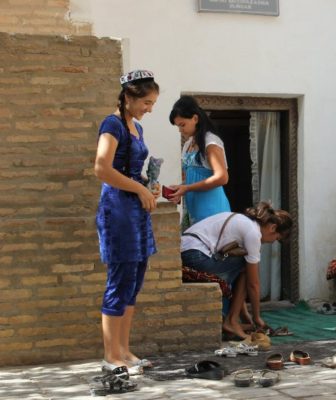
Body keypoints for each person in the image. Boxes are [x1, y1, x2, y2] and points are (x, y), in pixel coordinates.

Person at [94, 69, 160, 375]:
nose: (150, 108)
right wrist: (137, 188)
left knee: (134, 281)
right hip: (118, 210)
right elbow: (102, 169)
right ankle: (111, 357)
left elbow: (133, 171)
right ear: (129, 97)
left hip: (137, 210)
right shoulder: (112, 124)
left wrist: (148, 185)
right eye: (146, 102)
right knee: (120, 280)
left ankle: (123, 349)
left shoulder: (136, 127)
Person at [181, 202, 293, 339]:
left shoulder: (245, 221)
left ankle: (239, 318)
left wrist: (246, 315)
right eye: (276, 238)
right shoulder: (253, 233)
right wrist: (257, 318)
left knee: (243, 265)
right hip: (195, 255)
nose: (272, 242)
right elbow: (253, 284)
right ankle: (231, 321)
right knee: (247, 266)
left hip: (186, 251)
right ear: (273, 227)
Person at [167, 95, 230, 224]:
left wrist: (188, 188)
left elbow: (222, 177)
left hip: (213, 211)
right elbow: (194, 178)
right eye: (178, 126)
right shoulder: (188, 145)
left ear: (195, 118)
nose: (180, 130)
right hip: (195, 212)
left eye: (182, 125)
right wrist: (181, 188)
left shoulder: (210, 142)